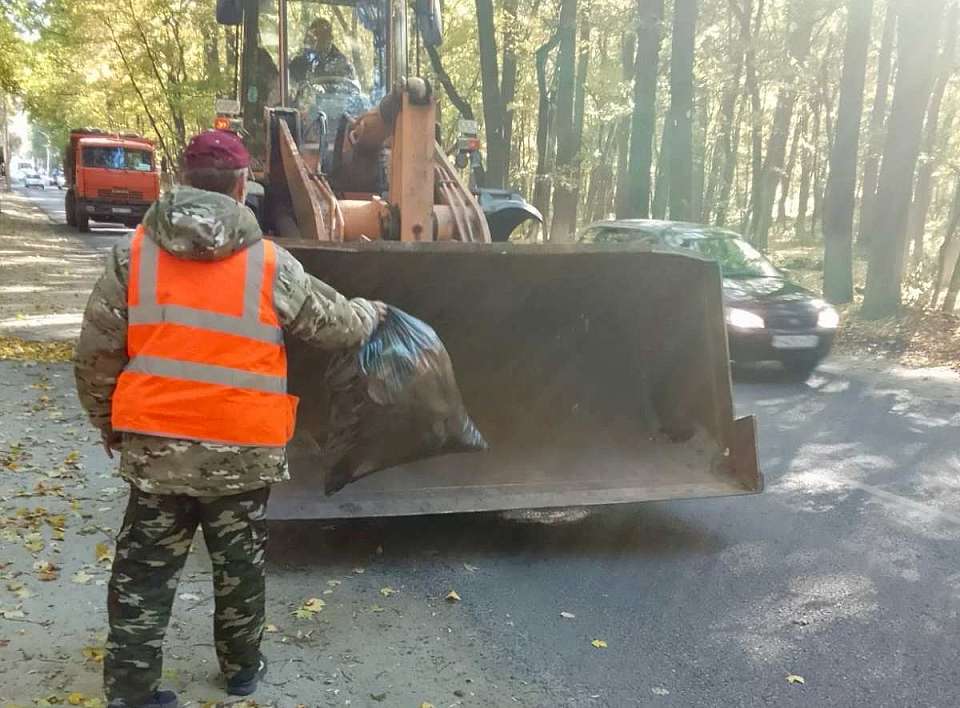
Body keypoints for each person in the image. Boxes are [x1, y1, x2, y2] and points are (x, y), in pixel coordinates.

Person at [74, 129, 384, 707]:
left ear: (183, 180)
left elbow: (95, 355)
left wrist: (106, 421)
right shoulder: (269, 264)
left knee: (144, 569)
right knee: (239, 565)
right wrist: (374, 312)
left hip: (158, 451)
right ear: (243, 186)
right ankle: (241, 669)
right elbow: (336, 326)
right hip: (243, 449)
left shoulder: (133, 256)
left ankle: (132, 688)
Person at [289, 16, 358, 89]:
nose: (318, 41)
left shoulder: (342, 64)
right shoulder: (298, 63)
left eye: (323, 36)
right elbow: (290, 88)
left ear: (331, 38)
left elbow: (349, 90)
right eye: (314, 37)